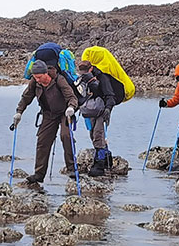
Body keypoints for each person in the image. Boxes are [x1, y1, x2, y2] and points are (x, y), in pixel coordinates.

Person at [10, 59, 78, 187]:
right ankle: (39, 174)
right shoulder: (34, 83)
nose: (37, 80)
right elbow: (26, 98)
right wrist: (19, 112)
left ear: (46, 73)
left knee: (66, 136)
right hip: (48, 114)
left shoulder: (59, 80)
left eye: (39, 77)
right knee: (42, 141)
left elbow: (71, 97)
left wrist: (71, 108)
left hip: (65, 112)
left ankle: (71, 169)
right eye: (35, 77)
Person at [76, 59, 118, 176]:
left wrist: (108, 109)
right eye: (81, 72)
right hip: (89, 111)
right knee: (93, 135)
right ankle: (107, 159)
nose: (83, 73)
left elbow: (110, 95)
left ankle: (99, 165)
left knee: (98, 135)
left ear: (91, 68)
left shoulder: (102, 78)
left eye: (85, 71)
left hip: (101, 110)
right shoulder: (82, 80)